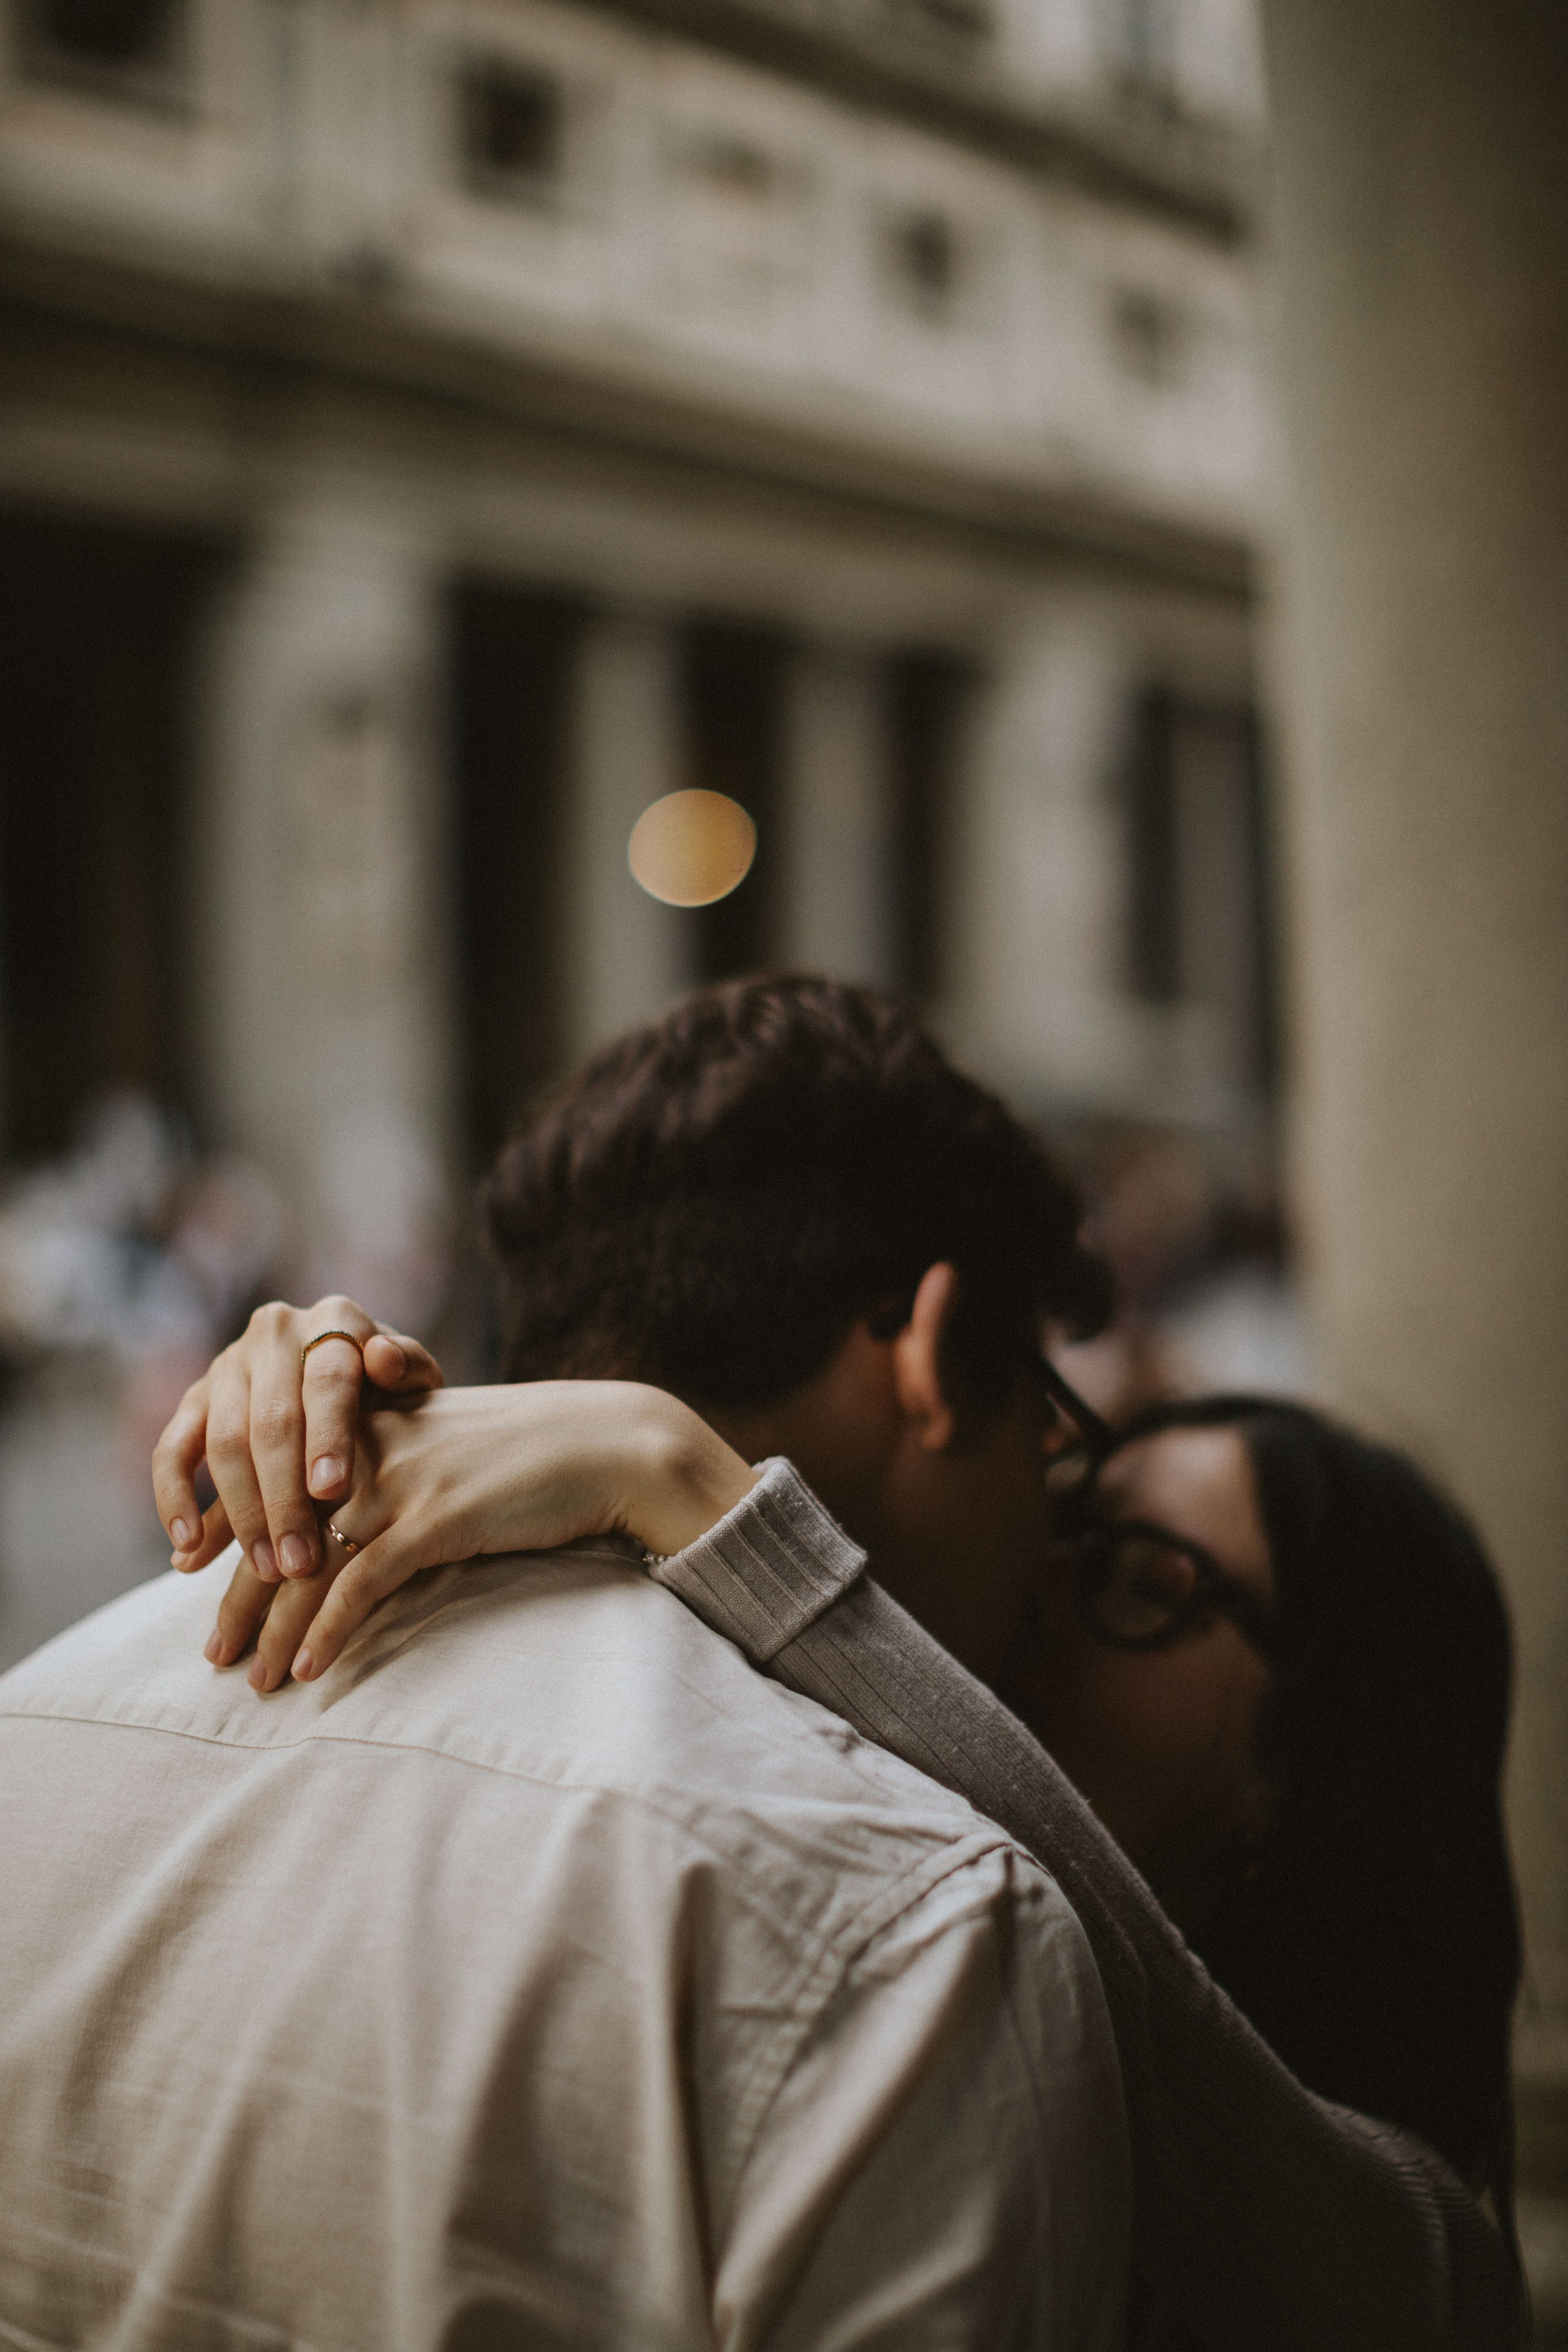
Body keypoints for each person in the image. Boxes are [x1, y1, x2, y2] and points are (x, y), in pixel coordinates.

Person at [157, 974, 1526, 2352]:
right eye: (1059, 1504)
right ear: (936, 1356)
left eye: (1131, 1574)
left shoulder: (1362, 2217)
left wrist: (691, 1482)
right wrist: (342, 1417)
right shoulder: (871, 1897)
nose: (1036, 1588)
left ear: (1308, 1760)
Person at [0, 992, 1133, 2350]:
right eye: (1052, 1433)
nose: (1050, 1528)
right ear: (935, 1352)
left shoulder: (37, 1721)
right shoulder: (921, 1926)